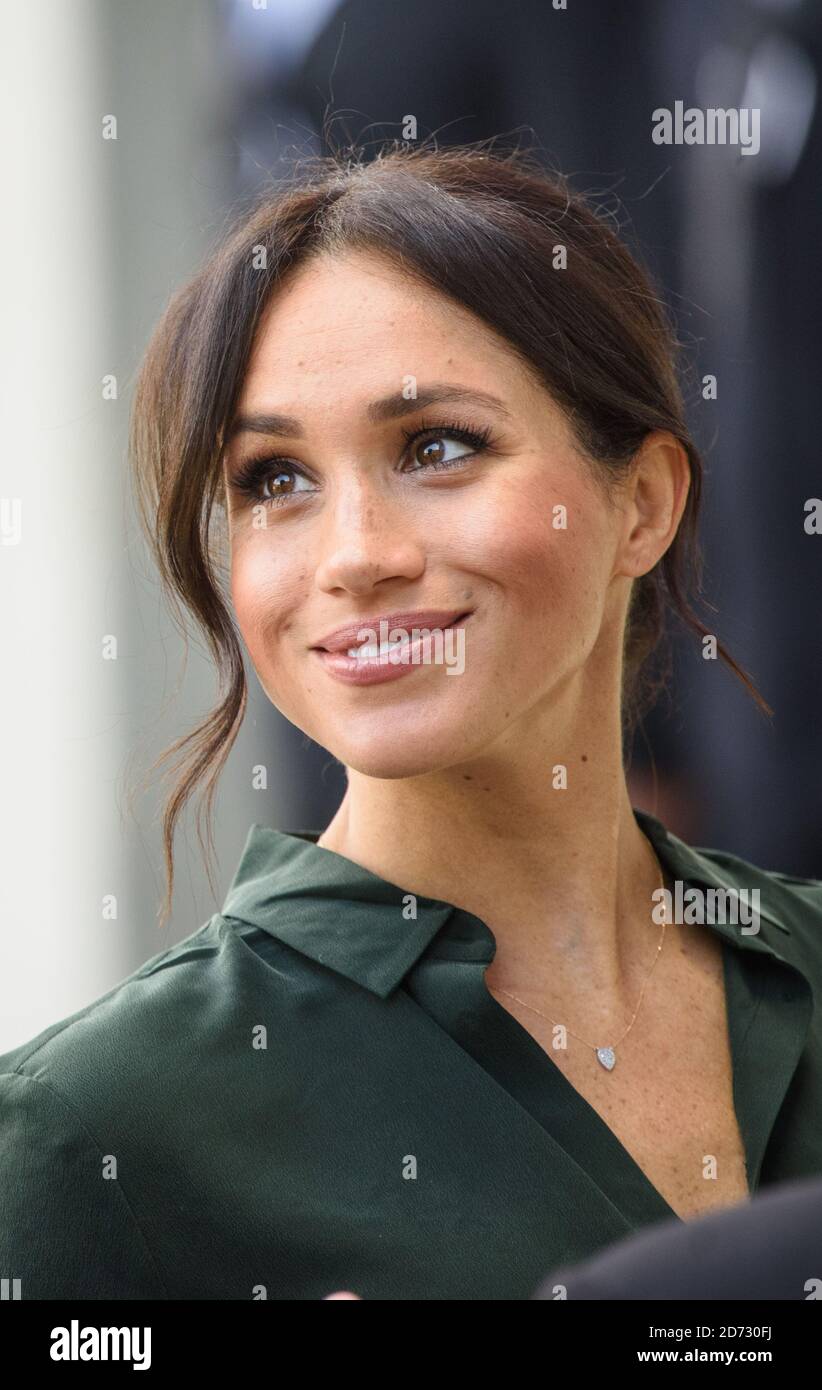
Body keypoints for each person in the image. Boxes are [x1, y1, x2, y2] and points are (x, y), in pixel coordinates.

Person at [2, 140, 821, 1300]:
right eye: (275, 479)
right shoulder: (91, 1131)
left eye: (437, 447)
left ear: (641, 503)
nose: (355, 558)